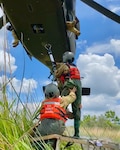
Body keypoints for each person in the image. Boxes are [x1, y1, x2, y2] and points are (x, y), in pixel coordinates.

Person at [33, 83, 76, 149]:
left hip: (44, 127)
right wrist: (72, 92)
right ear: (57, 93)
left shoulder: (44, 103)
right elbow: (72, 97)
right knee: (53, 140)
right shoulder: (62, 100)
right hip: (57, 127)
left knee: (37, 142)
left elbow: (41, 112)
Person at [55, 51, 82, 138]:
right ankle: (77, 134)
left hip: (69, 85)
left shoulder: (65, 66)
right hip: (78, 87)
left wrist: (56, 69)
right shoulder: (76, 68)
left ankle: (59, 129)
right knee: (77, 109)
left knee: (61, 105)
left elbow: (57, 74)